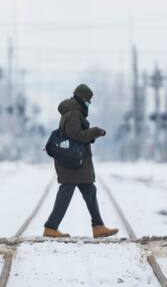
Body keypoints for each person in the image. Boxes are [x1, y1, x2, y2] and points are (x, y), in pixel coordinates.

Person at [42, 83, 120, 238]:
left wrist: (90, 136)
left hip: (76, 163)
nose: (89, 104)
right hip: (73, 163)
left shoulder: (72, 112)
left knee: (90, 191)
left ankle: (98, 226)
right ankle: (51, 228)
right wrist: (95, 132)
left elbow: (75, 134)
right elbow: (76, 135)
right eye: (88, 101)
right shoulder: (73, 113)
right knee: (66, 194)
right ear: (82, 98)